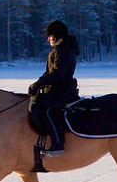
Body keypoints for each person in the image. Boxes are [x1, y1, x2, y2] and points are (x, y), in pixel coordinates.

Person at [28, 20, 80, 155]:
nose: (48, 39)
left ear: (56, 36)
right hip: (57, 89)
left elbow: (57, 73)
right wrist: (39, 85)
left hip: (62, 90)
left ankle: (58, 143)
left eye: (50, 36)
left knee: (48, 111)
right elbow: (49, 73)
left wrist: (40, 82)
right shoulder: (57, 51)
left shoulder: (62, 51)